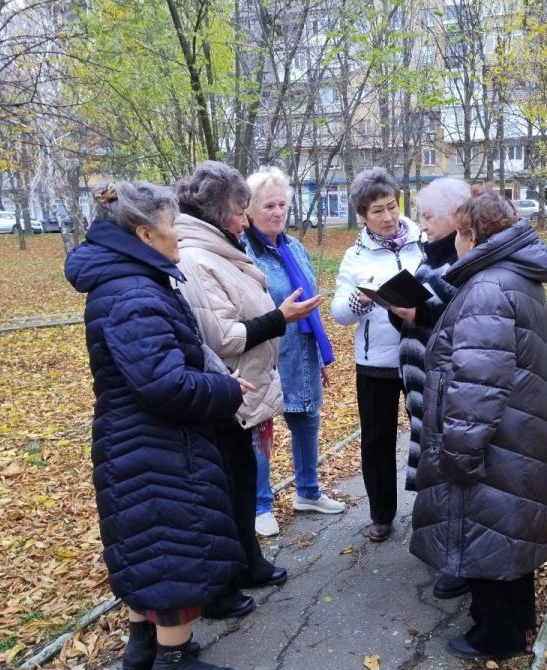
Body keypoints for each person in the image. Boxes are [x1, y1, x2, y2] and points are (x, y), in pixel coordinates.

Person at [65, 182, 248, 670]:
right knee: (172, 542)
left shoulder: (127, 279)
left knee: (144, 539)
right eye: (172, 229)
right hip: (156, 444)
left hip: (136, 440)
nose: (180, 239)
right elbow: (164, 384)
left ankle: (142, 643)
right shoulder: (133, 292)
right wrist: (225, 389)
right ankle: (172, 662)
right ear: (145, 234)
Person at [409, 187, 547, 661]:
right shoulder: (512, 275)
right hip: (518, 427)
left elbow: (476, 385)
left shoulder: (488, 288)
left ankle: (497, 635)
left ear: (469, 233)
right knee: (508, 525)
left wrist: (459, 449)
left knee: (485, 526)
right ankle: (514, 620)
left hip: (495, 435)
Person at [175, 161, 320, 596]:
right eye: (243, 209)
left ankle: (247, 561)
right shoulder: (200, 258)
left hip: (243, 384)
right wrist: (280, 318)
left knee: (237, 474)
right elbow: (222, 336)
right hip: (226, 389)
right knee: (231, 480)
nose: (247, 217)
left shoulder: (221, 248)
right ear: (221, 212)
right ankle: (233, 570)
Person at [243, 166, 345, 535]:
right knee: (262, 429)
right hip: (265, 357)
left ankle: (308, 492)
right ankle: (260, 504)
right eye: (268, 205)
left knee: (307, 422)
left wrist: (318, 357)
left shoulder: (294, 247)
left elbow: (310, 308)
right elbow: (245, 309)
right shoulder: (245, 253)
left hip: (301, 354)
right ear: (249, 210)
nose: (277, 212)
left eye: (282, 204)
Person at [331, 167, 424, 542]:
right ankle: (381, 513)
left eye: (392, 206)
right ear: (362, 216)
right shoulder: (355, 257)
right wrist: (362, 298)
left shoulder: (423, 241)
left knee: (430, 434)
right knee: (377, 439)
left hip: (421, 354)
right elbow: (339, 313)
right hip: (376, 363)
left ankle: (430, 509)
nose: (388, 217)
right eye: (377, 211)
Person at [388, 177, 470, 599]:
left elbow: (455, 319)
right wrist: (399, 309)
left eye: (428, 216)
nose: (422, 224)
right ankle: (441, 545)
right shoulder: (430, 254)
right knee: (431, 466)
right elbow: (419, 311)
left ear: (458, 215)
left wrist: (416, 310)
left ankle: (456, 559)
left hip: (445, 389)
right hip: (422, 385)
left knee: (447, 470)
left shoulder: (463, 259)